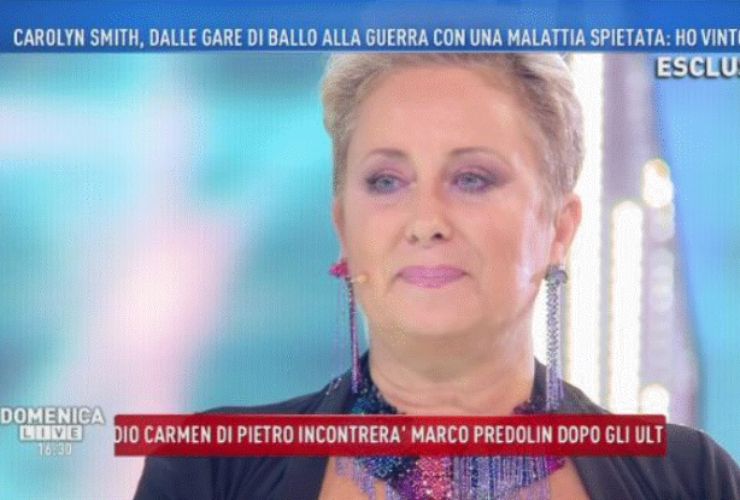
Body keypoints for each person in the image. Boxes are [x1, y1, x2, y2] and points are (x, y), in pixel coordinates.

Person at [135, 53, 740, 499]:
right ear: (344, 225)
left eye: (472, 179)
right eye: (386, 181)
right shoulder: (208, 468)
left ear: (559, 228)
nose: (426, 221)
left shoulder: (688, 478)